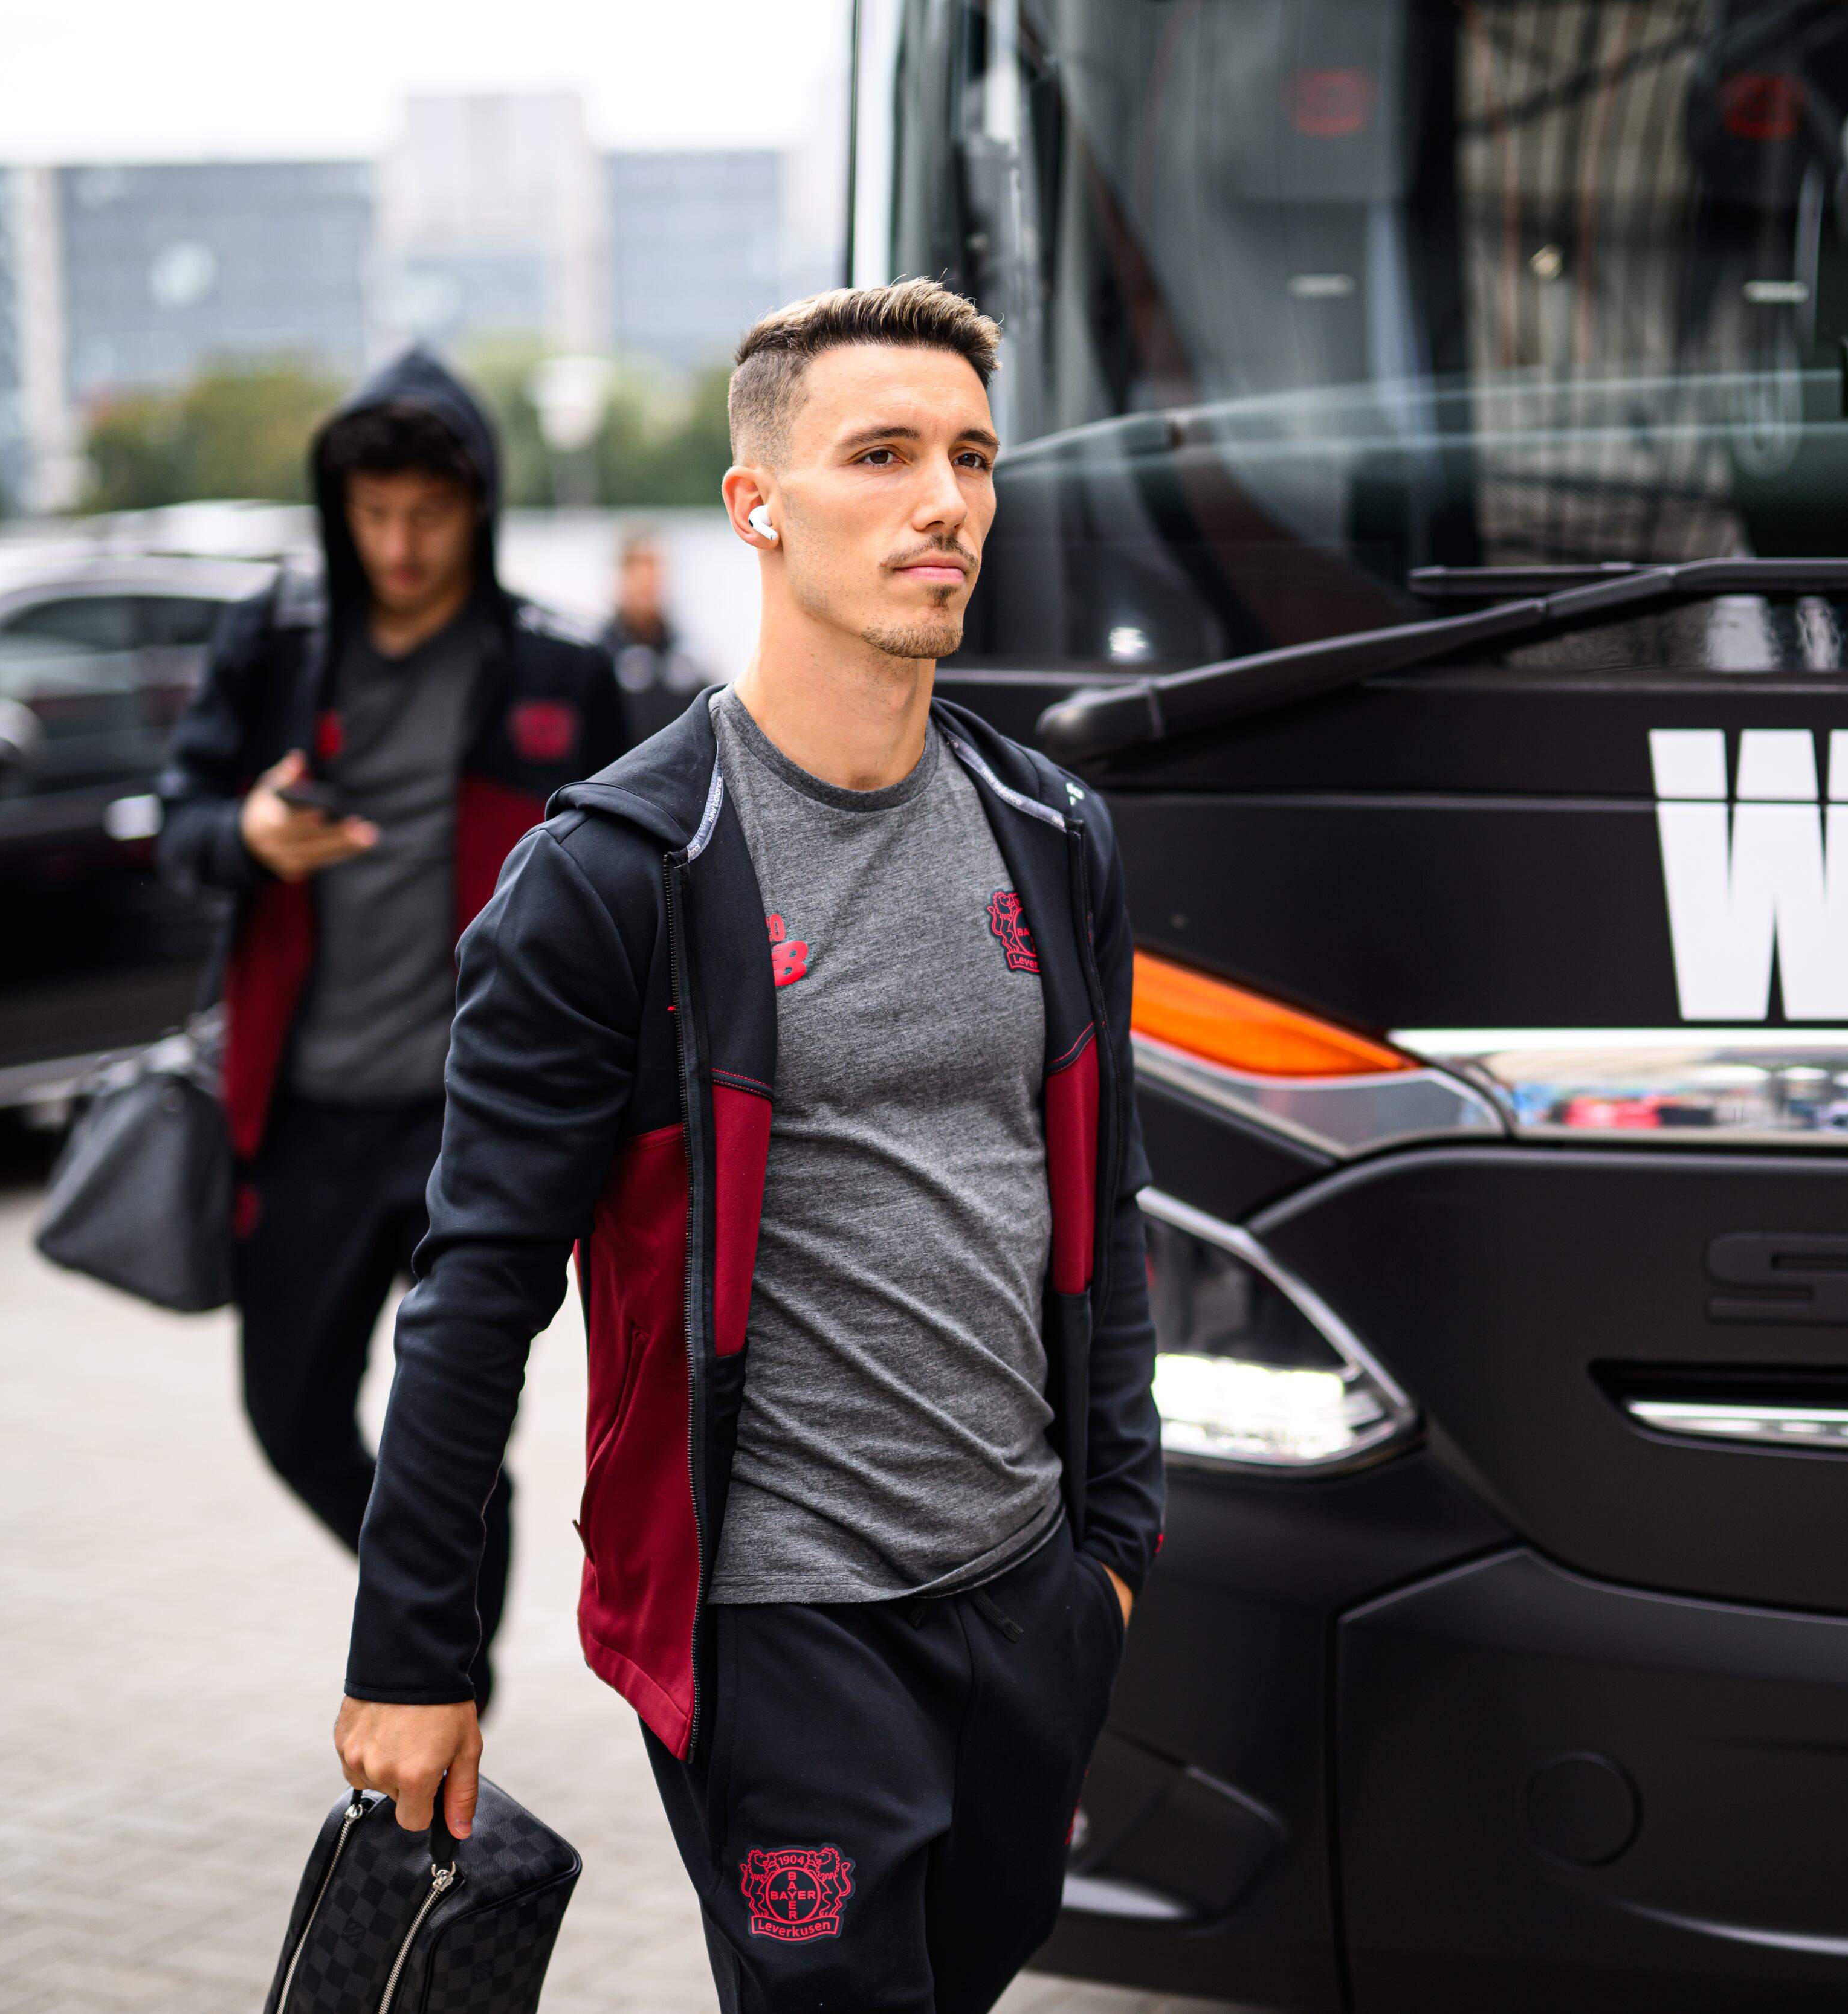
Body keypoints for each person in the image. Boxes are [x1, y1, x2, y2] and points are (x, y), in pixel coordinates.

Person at [333, 280, 1161, 2014]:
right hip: (782, 1626)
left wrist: (1118, 1554)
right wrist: (416, 1653)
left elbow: (1106, 1207)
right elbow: (478, 1284)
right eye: (881, 454)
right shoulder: (618, 872)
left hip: (1028, 1597)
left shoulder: (1053, 834)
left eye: (970, 457)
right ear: (757, 502)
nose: (944, 501)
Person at [159, 348, 631, 1708]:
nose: (402, 544)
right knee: (291, 1414)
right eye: (375, 513)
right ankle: (442, 1604)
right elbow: (178, 826)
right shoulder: (274, 644)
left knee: (461, 1432)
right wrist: (243, 831)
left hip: (472, 1130)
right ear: (340, 509)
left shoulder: (555, 662)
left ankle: (440, 1675)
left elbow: (628, 881)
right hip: (300, 1107)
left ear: (476, 508)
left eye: (428, 512)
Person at [603, 523, 710, 738]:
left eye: (653, 566)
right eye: (637, 566)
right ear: (620, 575)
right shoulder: (601, 656)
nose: (646, 578)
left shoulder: (686, 656)